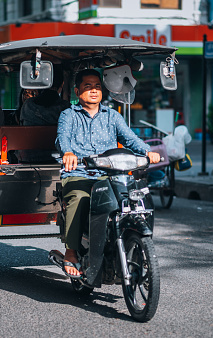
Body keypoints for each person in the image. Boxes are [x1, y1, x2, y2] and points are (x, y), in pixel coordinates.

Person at [56, 69, 160, 278]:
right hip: (79, 174)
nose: (94, 90)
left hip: (109, 175)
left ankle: (136, 246)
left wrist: (148, 152)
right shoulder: (69, 115)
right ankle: (71, 251)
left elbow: (130, 139)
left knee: (134, 198)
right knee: (80, 198)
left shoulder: (113, 116)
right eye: (88, 86)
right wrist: (67, 152)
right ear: (77, 91)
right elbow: (62, 138)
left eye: (97, 86)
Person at [17, 65, 71, 163]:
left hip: (29, 159)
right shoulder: (67, 108)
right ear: (62, 84)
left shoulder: (28, 105)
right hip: (59, 159)